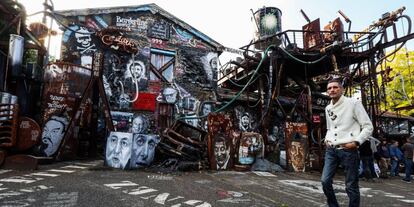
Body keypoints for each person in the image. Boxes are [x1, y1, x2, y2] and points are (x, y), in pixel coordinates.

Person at [321, 79, 373, 207]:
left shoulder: (353, 103)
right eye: (329, 88)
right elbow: (330, 127)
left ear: (342, 89)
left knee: (351, 185)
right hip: (331, 149)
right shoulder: (328, 108)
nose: (332, 90)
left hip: (349, 149)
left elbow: (368, 126)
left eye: (335, 87)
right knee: (325, 181)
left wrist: (356, 142)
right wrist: (327, 139)